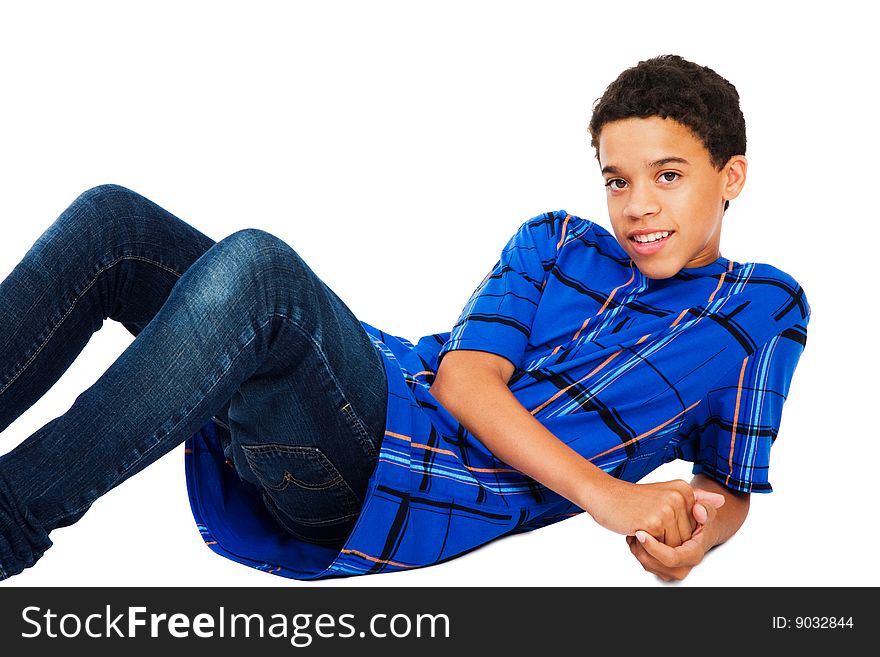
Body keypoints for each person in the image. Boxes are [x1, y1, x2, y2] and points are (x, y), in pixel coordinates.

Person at [0, 54, 809, 583]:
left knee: (260, 271)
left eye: (667, 176)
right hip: (377, 395)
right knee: (116, 225)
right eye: (618, 180)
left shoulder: (762, 308)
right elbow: (463, 380)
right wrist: (607, 494)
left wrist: (696, 537)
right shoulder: (555, 240)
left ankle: (9, 518)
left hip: (393, 481)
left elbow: (726, 480)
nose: (638, 207)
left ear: (731, 175)